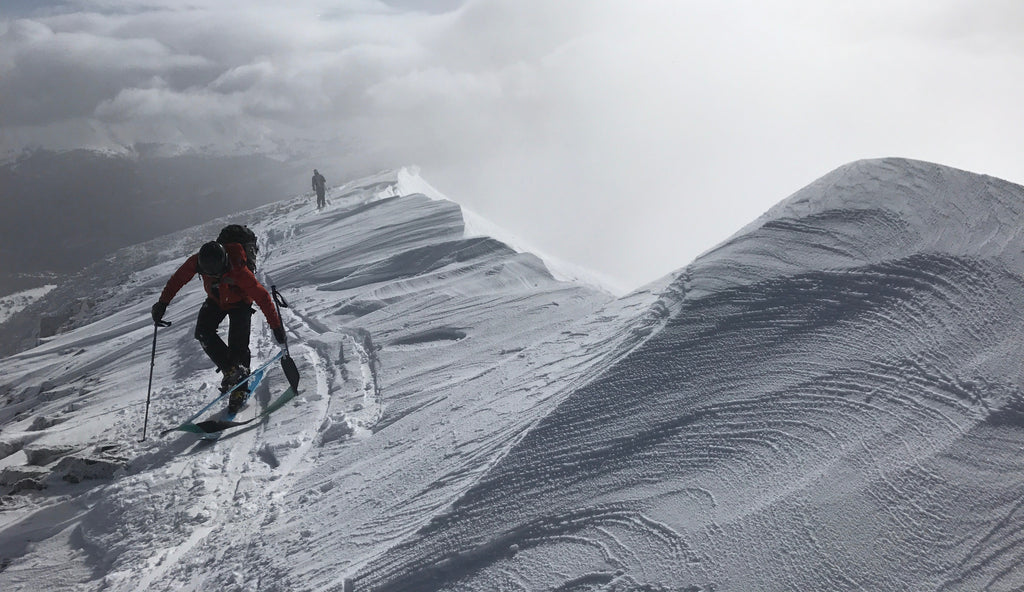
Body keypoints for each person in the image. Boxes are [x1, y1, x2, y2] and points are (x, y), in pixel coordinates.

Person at [151, 240, 285, 413]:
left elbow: (263, 298)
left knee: (238, 347)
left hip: (240, 303)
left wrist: (276, 327)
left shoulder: (239, 271)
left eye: (217, 273)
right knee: (203, 332)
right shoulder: (197, 262)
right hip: (216, 300)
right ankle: (232, 370)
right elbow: (178, 280)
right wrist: (162, 303)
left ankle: (240, 389)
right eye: (209, 274)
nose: (213, 276)